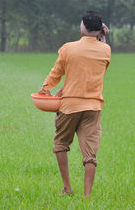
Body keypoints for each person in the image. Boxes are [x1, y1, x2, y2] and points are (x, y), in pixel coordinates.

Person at [38, 11, 111, 198]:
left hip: (69, 106)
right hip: (93, 107)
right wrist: (102, 36)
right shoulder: (106, 50)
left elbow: (56, 73)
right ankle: (87, 196)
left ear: (83, 27)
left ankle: (67, 187)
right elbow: (91, 72)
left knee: (61, 143)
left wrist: (45, 89)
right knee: (90, 155)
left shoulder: (68, 49)